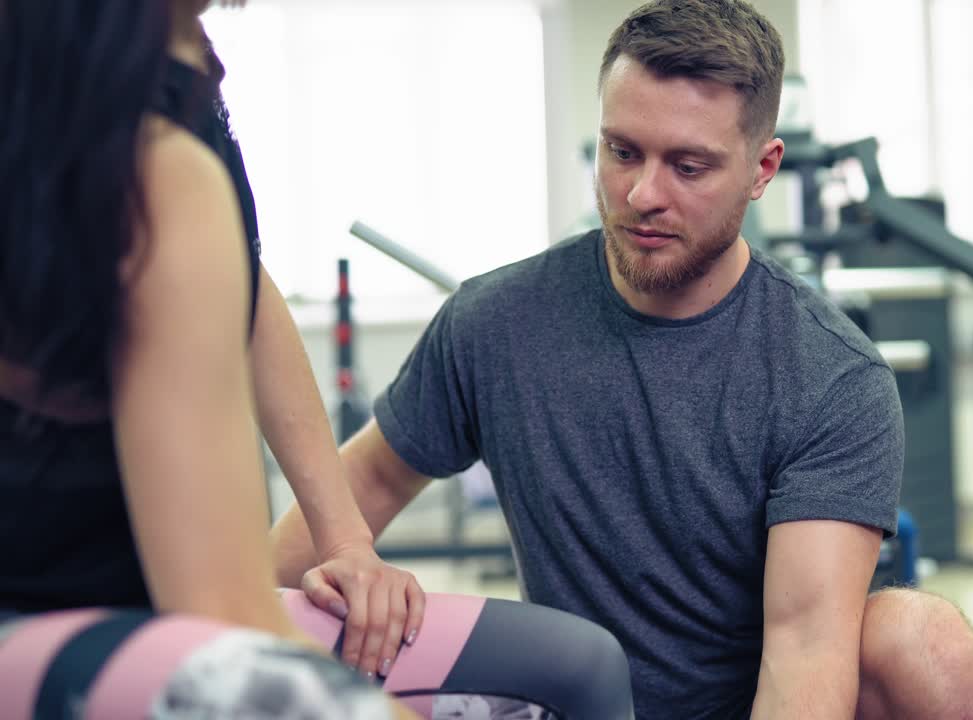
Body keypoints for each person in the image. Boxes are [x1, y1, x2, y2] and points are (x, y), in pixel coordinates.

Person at [270, 1, 973, 718]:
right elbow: (364, 478)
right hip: (568, 698)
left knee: (932, 647)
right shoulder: (496, 323)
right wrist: (204, 618)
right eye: (623, 152)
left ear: (761, 168)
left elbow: (805, 651)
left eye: (689, 166)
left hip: (747, 706)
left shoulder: (829, 376)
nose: (643, 195)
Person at [0, 1, 633, 717]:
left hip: (163, 613)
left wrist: (346, 541)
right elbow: (224, 635)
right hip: (65, 626)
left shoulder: (171, 75)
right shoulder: (146, 168)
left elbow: (243, 281)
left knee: (578, 667)